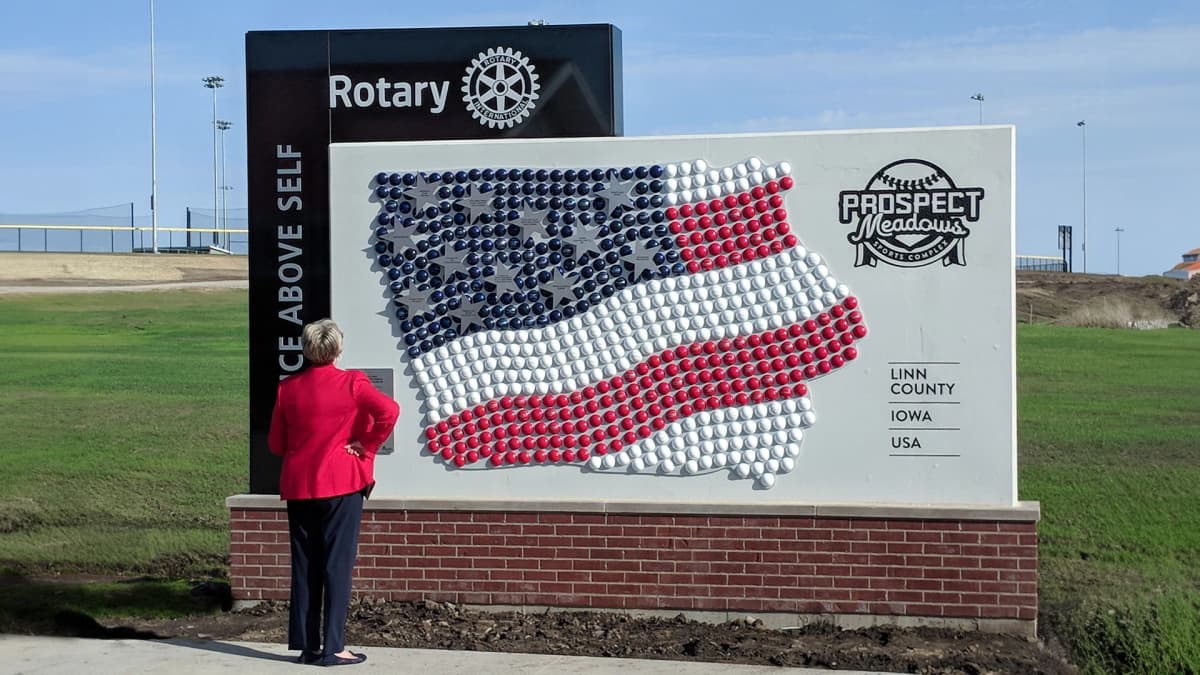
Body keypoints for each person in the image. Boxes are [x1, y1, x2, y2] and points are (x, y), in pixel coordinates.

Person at [268, 319, 400, 666]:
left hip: (299, 486)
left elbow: (276, 443)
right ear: (338, 349)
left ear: (306, 350)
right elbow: (389, 410)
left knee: (305, 565)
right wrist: (366, 444)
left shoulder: (288, 388)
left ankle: (309, 646)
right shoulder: (352, 381)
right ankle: (334, 647)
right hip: (341, 484)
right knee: (337, 566)